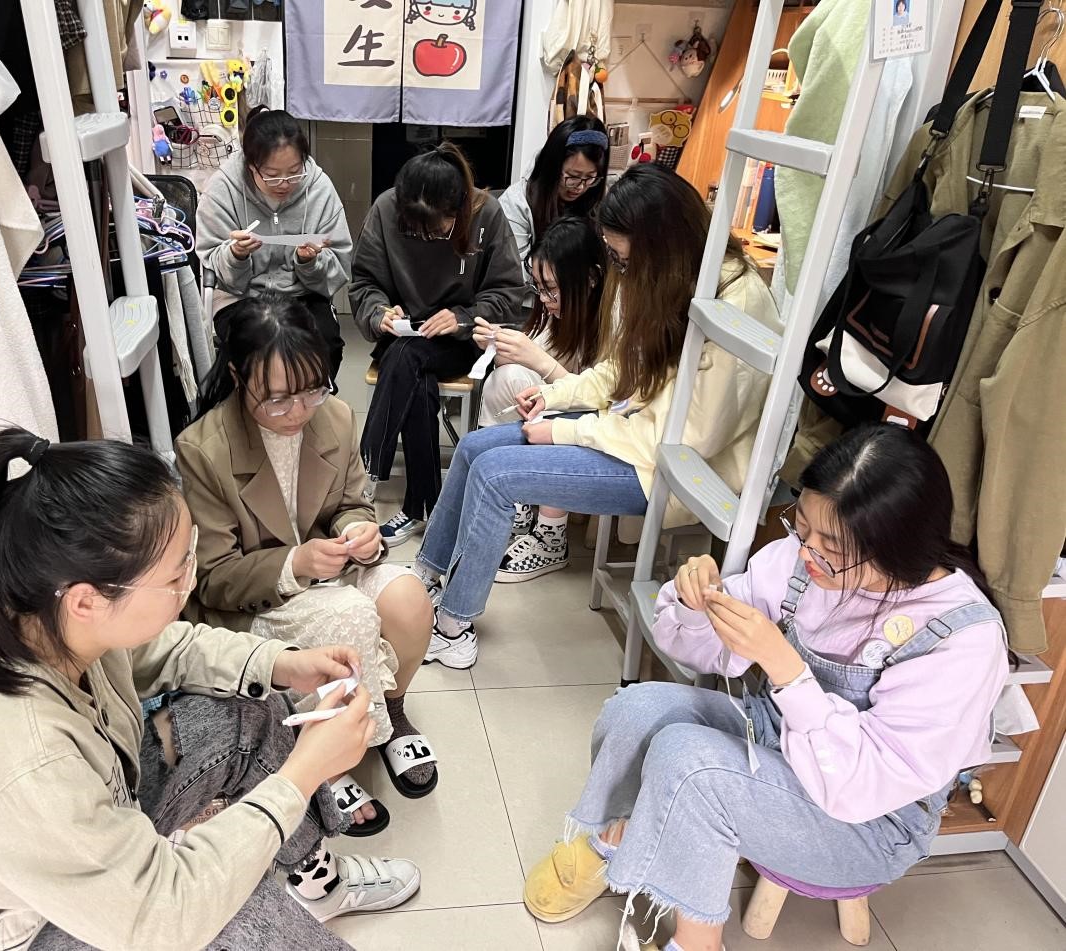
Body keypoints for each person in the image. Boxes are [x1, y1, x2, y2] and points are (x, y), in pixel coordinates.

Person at [0, 429, 420, 950]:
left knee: (250, 713)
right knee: (229, 915)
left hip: (56, 865)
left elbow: (163, 649)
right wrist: (303, 774)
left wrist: (281, 663)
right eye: (174, 575)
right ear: (87, 599)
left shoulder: (47, 624)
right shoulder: (25, 760)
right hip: (14, 935)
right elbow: (163, 917)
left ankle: (317, 884)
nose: (189, 582)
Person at [521, 424, 1008, 951]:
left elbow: (863, 784)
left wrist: (786, 670)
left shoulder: (962, 639)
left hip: (869, 819)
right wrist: (695, 603)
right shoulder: (804, 560)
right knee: (638, 709)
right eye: (803, 528)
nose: (807, 553)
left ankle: (698, 943)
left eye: (830, 545)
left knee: (692, 765)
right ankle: (614, 839)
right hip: (777, 739)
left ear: (896, 545)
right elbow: (703, 651)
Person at [414, 163, 781, 669]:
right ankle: (425, 578)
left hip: (670, 469)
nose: (621, 272)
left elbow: (684, 440)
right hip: (632, 433)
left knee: (496, 476)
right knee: (474, 447)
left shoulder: (735, 303)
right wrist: (557, 394)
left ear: (662, 244)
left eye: (625, 260)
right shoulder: (670, 277)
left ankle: (453, 627)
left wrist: (566, 429)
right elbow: (620, 368)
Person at [176, 294, 438, 838]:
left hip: (330, 570)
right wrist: (294, 562)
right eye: (278, 399)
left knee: (410, 598)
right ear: (237, 376)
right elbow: (215, 577)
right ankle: (327, 762)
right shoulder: (204, 450)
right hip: (258, 598)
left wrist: (358, 530)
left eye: (312, 390)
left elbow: (352, 503)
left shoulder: (334, 417)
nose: (298, 412)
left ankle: (390, 710)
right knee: (348, 614)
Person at [350, 141, 525, 547]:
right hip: (404, 334)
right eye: (418, 230)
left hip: (462, 340)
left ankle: (365, 472)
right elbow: (364, 282)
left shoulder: (486, 213)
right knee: (414, 370)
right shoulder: (386, 209)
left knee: (407, 358)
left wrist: (462, 317)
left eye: (438, 229)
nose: (428, 236)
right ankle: (423, 505)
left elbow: (508, 294)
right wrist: (379, 312)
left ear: (459, 208)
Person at [474, 215, 606, 583]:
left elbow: (601, 399)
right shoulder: (556, 312)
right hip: (566, 409)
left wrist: (538, 362)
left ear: (591, 279)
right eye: (538, 288)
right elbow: (526, 371)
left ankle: (551, 536)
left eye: (551, 289)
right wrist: (500, 346)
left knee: (559, 409)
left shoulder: (610, 319)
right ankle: (513, 499)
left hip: (602, 426)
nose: (544, 300)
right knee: (506, 380)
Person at [197, 106, 352, 383]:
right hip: (241, 297)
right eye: (271, 174)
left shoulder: (319, 188)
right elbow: (214, 263)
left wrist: (309, 262)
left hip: (301, 296)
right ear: (250, 165)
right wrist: (235, 255)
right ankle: (260, 407)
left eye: (294, 172)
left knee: (325, 346)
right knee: (258, 353)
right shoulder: (223, 189)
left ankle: (309, 404)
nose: (284, 184)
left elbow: (339, 264)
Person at [498, 115, 609, 262]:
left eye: (590, 177)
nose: (580, 187)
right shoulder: (516, 204)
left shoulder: (597, 199)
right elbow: (516, 268)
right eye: (573, 176)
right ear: (552, 167)